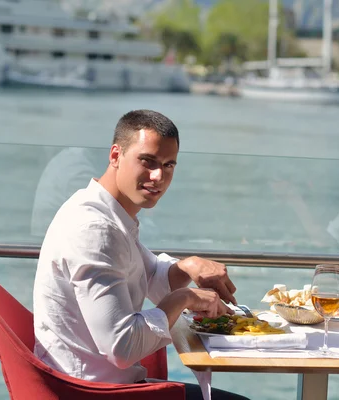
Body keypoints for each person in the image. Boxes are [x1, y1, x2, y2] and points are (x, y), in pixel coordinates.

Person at [33, 109, 249, 400]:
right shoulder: (95, 229)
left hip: (104, 385)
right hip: (94, 392)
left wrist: (188, 266)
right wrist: (185, 298)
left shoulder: (104, 212)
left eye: (169, 165)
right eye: (147, 161)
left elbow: (149, 275)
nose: (158, 176)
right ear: (115, 156)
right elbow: (123, 347)